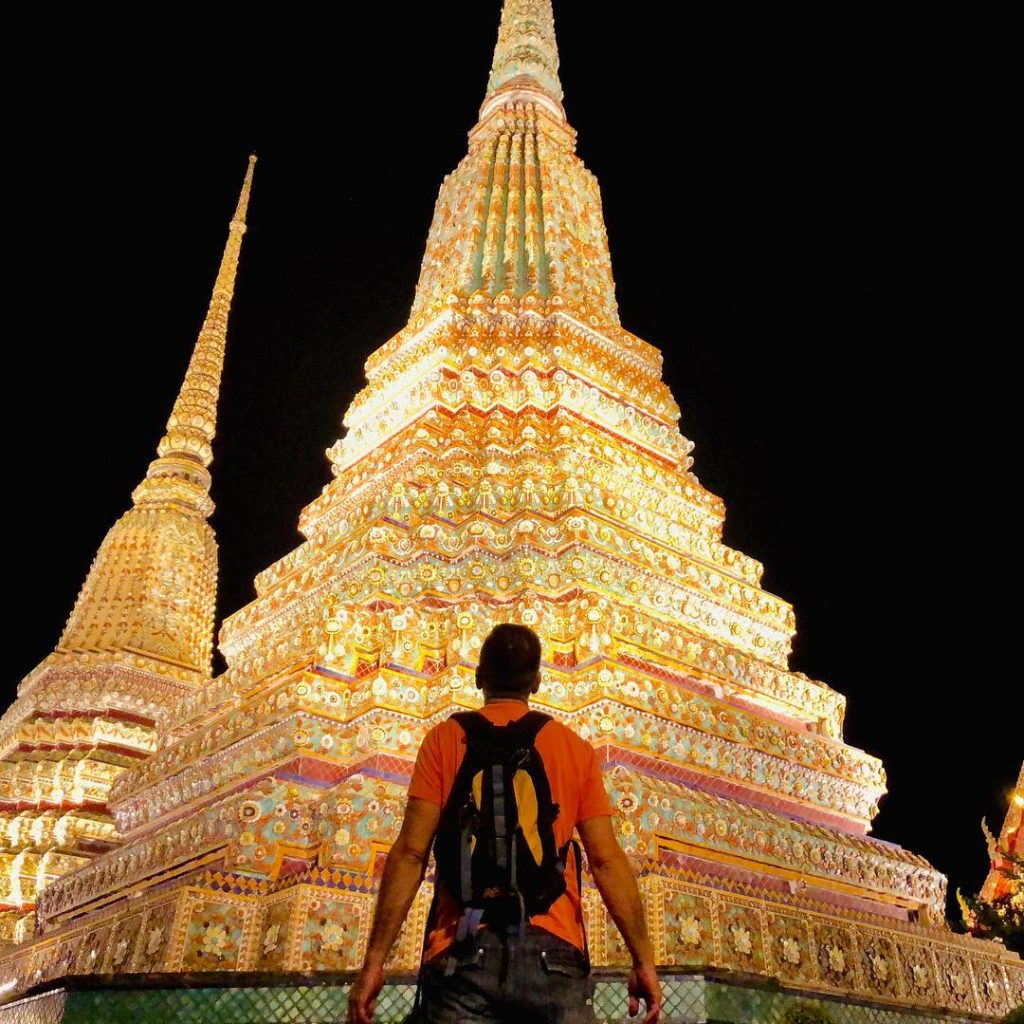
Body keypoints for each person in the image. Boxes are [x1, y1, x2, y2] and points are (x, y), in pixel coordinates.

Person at [347, 624, 662, 1024]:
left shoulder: (444, 739)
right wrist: (643, 960)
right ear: (537, 681)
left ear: (479, 677)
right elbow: (606, 861)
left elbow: (411, 853)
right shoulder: (574, 748)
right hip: (556, 951)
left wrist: (374, 963)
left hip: (462, 950)